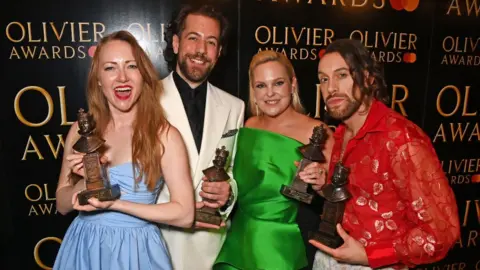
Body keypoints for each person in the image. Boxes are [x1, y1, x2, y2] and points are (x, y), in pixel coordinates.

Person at [310, 39, 460, 270]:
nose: (331, 88)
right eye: (324, 79)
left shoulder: (401, 139)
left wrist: (371, 255)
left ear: (368, 78)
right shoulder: (340, 134)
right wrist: (323, 186)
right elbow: (357, 203)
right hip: (329, 258)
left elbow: (441, 233)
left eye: (342, 75)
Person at [53, 30, 194, 270]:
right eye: (110, 68)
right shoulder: (81, 130)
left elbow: (184, 214)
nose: (122, 78)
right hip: (84, 248)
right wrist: (83, 184)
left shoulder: (165, 136)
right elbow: (62, 203)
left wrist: (115, 204)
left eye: (131, 66)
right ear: (98, 79)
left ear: (143, 75)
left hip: (137, 252)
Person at [213, 50, 334, 270]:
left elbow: (333, 202)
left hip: (284, 247)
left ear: (293, 84)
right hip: (239, 241)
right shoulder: (248, 126)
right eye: (261, 86)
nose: (270, 93)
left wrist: (321, 184)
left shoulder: (318, 133)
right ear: (253, 90)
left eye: (278, 83)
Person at [157, 3, 245, 270]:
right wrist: (179, 214)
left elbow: (231, 171)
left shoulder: (235, 106)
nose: (200, 50)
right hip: (160, 243)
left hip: (214, 248)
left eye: (211, 42)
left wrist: (228, 192)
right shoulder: (145, 100)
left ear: (218, 52)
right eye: (193, 38)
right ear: (175, 43)